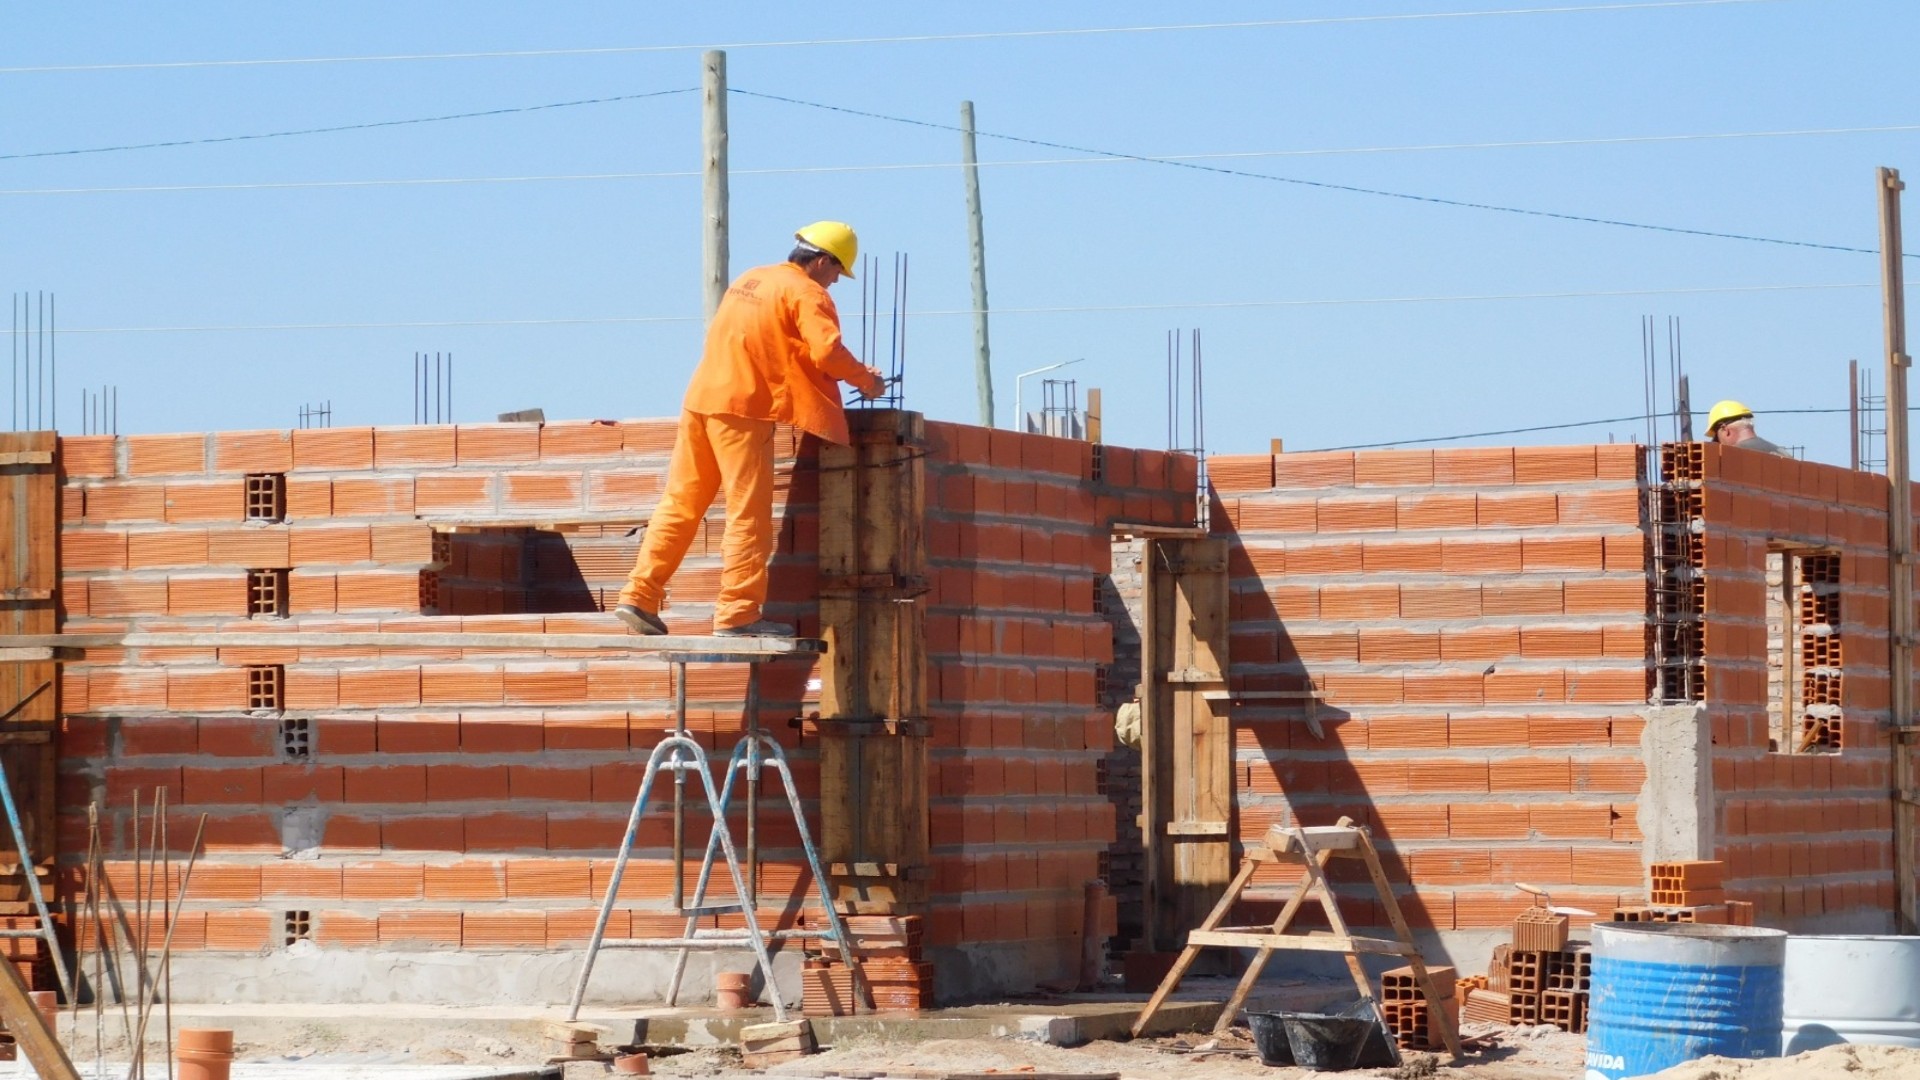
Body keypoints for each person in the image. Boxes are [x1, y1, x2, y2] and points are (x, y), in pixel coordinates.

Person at [616, 221, 886, 638]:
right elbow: (827, 352)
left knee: (680, 504)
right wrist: (866, 380)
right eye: (837, 271)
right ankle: (738, 613)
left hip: (701, 400)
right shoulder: (807, 292)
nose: (835, 281)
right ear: (821, 260)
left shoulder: (752, 278)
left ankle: (639, 596)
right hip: (743, 410)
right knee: (749, 515)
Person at [1705, 400, 1793, 458]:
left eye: (1717, 438)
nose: (1719, 443)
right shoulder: (1783, 454)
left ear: (1725, 430)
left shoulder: (1728, 457)